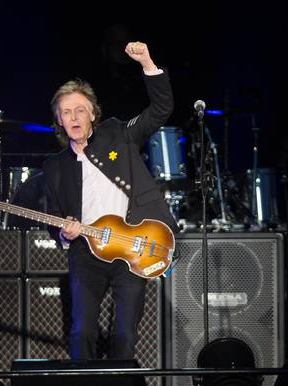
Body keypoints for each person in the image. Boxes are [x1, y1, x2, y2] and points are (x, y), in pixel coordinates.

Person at [43, 41, 179, 360]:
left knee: (125, 335)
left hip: (132, 246)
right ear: (59, 120)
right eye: (66, 112)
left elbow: (160, 110)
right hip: (86, 255)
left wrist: (147, 63)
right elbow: (54, 216)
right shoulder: (54, 167)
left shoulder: (118, 134)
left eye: (80, 109)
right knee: (82, 333)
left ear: (93, 113)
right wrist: (64, 233)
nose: (74, 117)